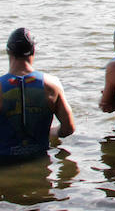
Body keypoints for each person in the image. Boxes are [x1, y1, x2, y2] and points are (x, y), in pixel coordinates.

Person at [1, 28, 75, 160]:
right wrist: (53, 132)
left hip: (5, 162)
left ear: (8, 51)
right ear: (33, 51)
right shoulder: (52, 85)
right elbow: (68, 128)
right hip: (40, 158)